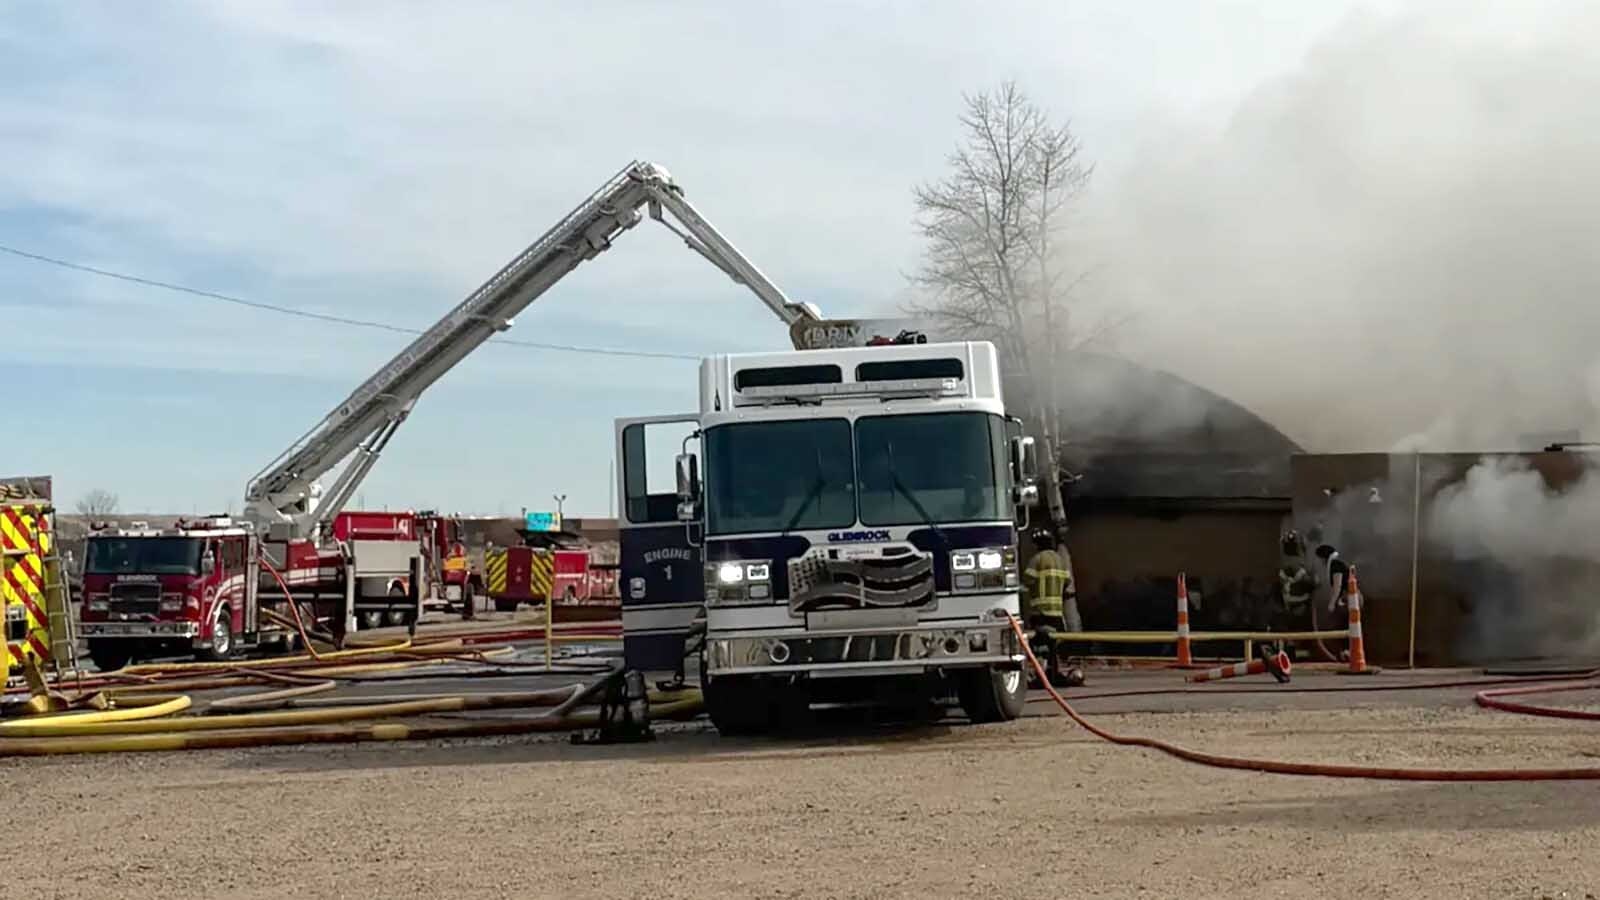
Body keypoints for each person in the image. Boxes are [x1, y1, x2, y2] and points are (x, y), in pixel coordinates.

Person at [1022, 529, 1080, 685]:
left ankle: (1041, 677)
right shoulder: (1060, 560)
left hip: (1040, 612)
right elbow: (1067, 582)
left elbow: (1027, 580)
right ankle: (1053, 675)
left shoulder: (1037, 559)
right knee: (1053, 647)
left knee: (1039, 648)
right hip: (1057, 613)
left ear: (1037, 544)